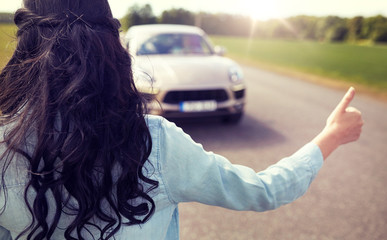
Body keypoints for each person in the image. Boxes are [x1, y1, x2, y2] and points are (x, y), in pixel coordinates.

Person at [0, 0, 363, 239]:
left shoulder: (4, 141)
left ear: (25, 45)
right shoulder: (153, 142)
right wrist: (331, 135)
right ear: (112, 48)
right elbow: (262, 191)